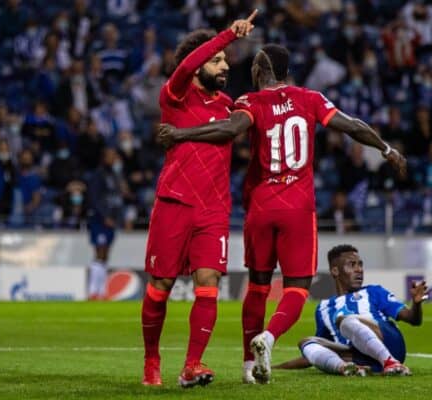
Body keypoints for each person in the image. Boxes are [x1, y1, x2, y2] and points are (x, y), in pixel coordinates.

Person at [157, 43, 407, 385]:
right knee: (297, 288)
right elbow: (352, 126)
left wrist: (180, 134)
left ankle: (249, 365)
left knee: (258, 286)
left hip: (260, 207)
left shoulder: (250, 102)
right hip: (298, 208)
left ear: (260, 69)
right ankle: (270, 338)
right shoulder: (311, 99)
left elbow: (229, 130)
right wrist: (386, 148)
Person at [140, 12, 257, 389]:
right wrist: (227, 35)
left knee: (209, 284)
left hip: (213, 210)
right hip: (174, 203)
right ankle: (151, 359)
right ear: (196, 67)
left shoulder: (227, 105)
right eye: (217, 60)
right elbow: (188, 62)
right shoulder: (175, 94)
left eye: (225, 60)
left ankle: (192, 365)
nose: (224, 66)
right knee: (159, 287)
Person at [273, 244, 427, 376]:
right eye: (352, 265)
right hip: (359, 355)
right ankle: (347, 369)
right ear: (335, 271)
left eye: (360, 264)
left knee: (344, 320)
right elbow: (315, 354)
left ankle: (391, 362)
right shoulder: (323, 308)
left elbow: (413, 319)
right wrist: (277, 368)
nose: (359, 270)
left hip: (389, 344)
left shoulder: (374, 291)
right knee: (307, 342)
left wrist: (417, 304)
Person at [86, 147, 129, 299]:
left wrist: (119, 218)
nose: (114, 159)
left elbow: (118, 199)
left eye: (115, 155)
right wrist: (104, 216)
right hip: (99, 220)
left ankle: (102, 291)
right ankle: (92, 291)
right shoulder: (98, 175)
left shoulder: (115, 176)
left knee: (106, 254)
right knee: (99, 252)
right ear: (104, 158)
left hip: (111, 220)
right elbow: (94, 198)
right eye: (111, 156)